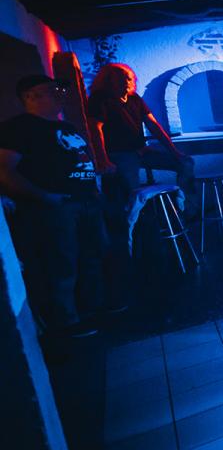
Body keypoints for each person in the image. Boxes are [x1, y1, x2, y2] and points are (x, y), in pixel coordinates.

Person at [0, 75, 110, 338]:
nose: (60, 94)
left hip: (84, 202)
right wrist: (45, 197)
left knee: (91, 255)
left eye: (59, 89)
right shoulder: (17, 128)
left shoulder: (66, 127)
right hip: (56, 207)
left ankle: (89, 310)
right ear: (31, 96)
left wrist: (93, 190)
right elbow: (5, 170)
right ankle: (66, 321)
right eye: (52, 90)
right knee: (61, 263)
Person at [87, 63, 195, 214]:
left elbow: (154, 125)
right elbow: (95, 129)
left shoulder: (134, 98)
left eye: (129, 78)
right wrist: (102, 159)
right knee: (133, 194)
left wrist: (175, 152)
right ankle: (135, 223)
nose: (127, 82)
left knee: (185, 162)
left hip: (141, 151)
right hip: (119, 154)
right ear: (109, 80)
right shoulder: (99, 99)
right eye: (121, 78)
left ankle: (186, 209)